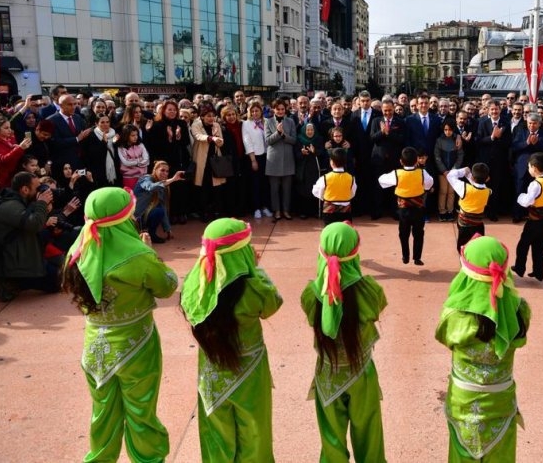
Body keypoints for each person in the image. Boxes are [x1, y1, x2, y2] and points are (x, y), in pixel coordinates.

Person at [61, 187, 177, 462]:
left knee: (102, 414)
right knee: (140, 412)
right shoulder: (138, 256)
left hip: (94, 348)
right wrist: (149, 252)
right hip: (135, 348)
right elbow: (167, 286)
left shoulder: (78, 249)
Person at [181, 219, 283, 462]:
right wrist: (256, 269)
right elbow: (273, 303)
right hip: (249, 373)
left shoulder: (194, 286)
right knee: (255, 432)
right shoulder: (254, 288)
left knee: (216, 436)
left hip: (212, 373)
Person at [435, 235, 530, 462]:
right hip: (501, 403)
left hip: (463, 403)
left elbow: (444, 336)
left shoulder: (453, 315)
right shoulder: (519, 310)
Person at [300, 222, 388, 463]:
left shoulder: (311, 294)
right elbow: (379, 307)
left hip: (327, 374)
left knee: (331, 441)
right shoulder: (370, 290)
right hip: (362, 373)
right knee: (369, 437)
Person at [0, 171, 57, 301]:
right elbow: (34, 224)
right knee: (57, 281)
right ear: (24, 189)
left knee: (58, 268)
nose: (39, 191)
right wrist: (41, 203)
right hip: (15, 264)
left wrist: (42, 205)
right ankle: (11, 283)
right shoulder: (9, 206)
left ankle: (15, 282)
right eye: (36, 188)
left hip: (22, 256)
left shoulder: (16, 200)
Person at [378, 146, 434, 265]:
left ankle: (405, 256)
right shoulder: (422, 172)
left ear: (401, 161)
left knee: (403, 233)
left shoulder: (397, 174)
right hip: (419, 208)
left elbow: (381, 180)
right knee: (419, 233)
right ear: (416, 161)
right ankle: (417, 257)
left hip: (403, 210)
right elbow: (429, 184)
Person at [512, 153, 543, 281]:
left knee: (523, 245)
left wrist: (520, 197)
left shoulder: (535, 184)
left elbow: (528, 201)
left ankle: (520, 267)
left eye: (529, 167)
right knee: (540, 248)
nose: (528, 169)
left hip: (536, 222)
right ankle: (539, 272)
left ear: (535, 168)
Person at [134, 160, 185, 243]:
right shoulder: (145, 178)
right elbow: (151, 187)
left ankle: (152, 234)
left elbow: (163, 206)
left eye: (167, 171)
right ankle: (140, 231)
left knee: (159, 210)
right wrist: (173, 179)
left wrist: (168, 229)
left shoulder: (163, 187)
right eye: (162, 170)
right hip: (136, 216)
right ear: (155, 170)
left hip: (146, 216)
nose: (165, 173)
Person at [191, 104, 227, 222]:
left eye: (212, 116)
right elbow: (198, 136)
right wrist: (211, 138)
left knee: (217, 188)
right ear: (202, 116)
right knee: (203, 188)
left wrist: (216, 136)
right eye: (208, 116)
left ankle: (218, 211)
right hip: (202, 161)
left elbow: (221, 143)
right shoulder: (196, 124)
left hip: (215, 160)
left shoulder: (216, 125)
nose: (211, 118)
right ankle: (204, 212)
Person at [265, 98, 297, 221]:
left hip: (288, 158)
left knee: (287, 188)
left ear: (286, 110)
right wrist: (278, 133)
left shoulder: (290, 121)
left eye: (282, 109)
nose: (280, 111)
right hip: (273, 159)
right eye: (278, 109)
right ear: (273, 110)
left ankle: (286, 210)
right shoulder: (268, 122)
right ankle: (277, 211)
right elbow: (268, 141)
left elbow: (294, 140)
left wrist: (283, 135)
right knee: (274, 188)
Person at [446, 163, 491, 252]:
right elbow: (480, 186)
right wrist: (470, 176)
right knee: (478, 249)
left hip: (464, 225)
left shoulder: (465, 188)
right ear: (487, 178)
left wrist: (464, 171)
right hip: (478, 225)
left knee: (463, 249)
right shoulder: (488, 191)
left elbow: (450, 175)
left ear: (473, 178)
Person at [242, 100, 272, 219]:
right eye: (252, 111)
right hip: (254, 157)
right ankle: (256, 208)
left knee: (265, 183)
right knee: (255, 184)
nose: (255, 113)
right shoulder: (246, 124)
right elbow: (247, 142)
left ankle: (265, 206)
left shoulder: (266, 122)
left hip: (267, 156)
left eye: (257, 111)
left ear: (261, 111)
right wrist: (253, 160)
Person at [312, 147, 356, 226]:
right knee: (344, 232)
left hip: (329, 210)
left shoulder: (325, 178)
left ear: (331, 162)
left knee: (330, 232)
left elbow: (316, 191)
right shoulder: (351, 178)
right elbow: (352, 193)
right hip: (345, 210)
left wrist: (325, 198)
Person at [434, 121, 464, 222]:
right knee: (443, 191)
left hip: (453, 172)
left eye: (450, 130)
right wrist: (443, 170)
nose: (448, 132)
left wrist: (454, 170)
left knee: (451, 192)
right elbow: (437, 156)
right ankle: (442, 211)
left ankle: (450, 211)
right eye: (446, 130)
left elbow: (460, 155)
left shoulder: (457, 140)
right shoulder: (439, 140)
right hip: (443, 172)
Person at [81, 114, 121, 188]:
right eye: (102, 122)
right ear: (96, 124)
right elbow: (92, 156)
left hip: (115, 171)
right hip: (98, 173)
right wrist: (103, 143)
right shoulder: (91, 136)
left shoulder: (115, 134)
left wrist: (116, 143)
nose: (105, 124)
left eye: (107, 122)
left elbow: (118, 154)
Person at [295, 122, 325, 219]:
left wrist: (315, 151)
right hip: (303, 168)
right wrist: (301, 152)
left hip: (315, 168)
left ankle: (315, 211)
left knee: (315, 189)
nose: (310, 131)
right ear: (304, 130)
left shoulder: (319, 139)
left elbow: (323, 153)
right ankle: (304, 212)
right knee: (303, 190)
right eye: (308, 130)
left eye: (312, 130)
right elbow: (295, 154)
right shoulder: (299, 139)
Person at [0, 114, 32, 188]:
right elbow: (3, 160)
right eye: (6, 128)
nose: (9, 130)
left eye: (10, 127)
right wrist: (19, 148)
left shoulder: (11, 138)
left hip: (15, 177)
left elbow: (17, 155)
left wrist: (22, 147)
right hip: (3, 181)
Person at [117, 124, 150, 190]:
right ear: (126, 136)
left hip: (142, 176)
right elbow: (126, 162)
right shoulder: (121, 147)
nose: (136, 137)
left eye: (136, 135)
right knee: (131, 197)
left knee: (142, 198)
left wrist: (133, 162)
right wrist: (139, 161)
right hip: (129, 177)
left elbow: (147, 160)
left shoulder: (140, 144)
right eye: (133, 135)